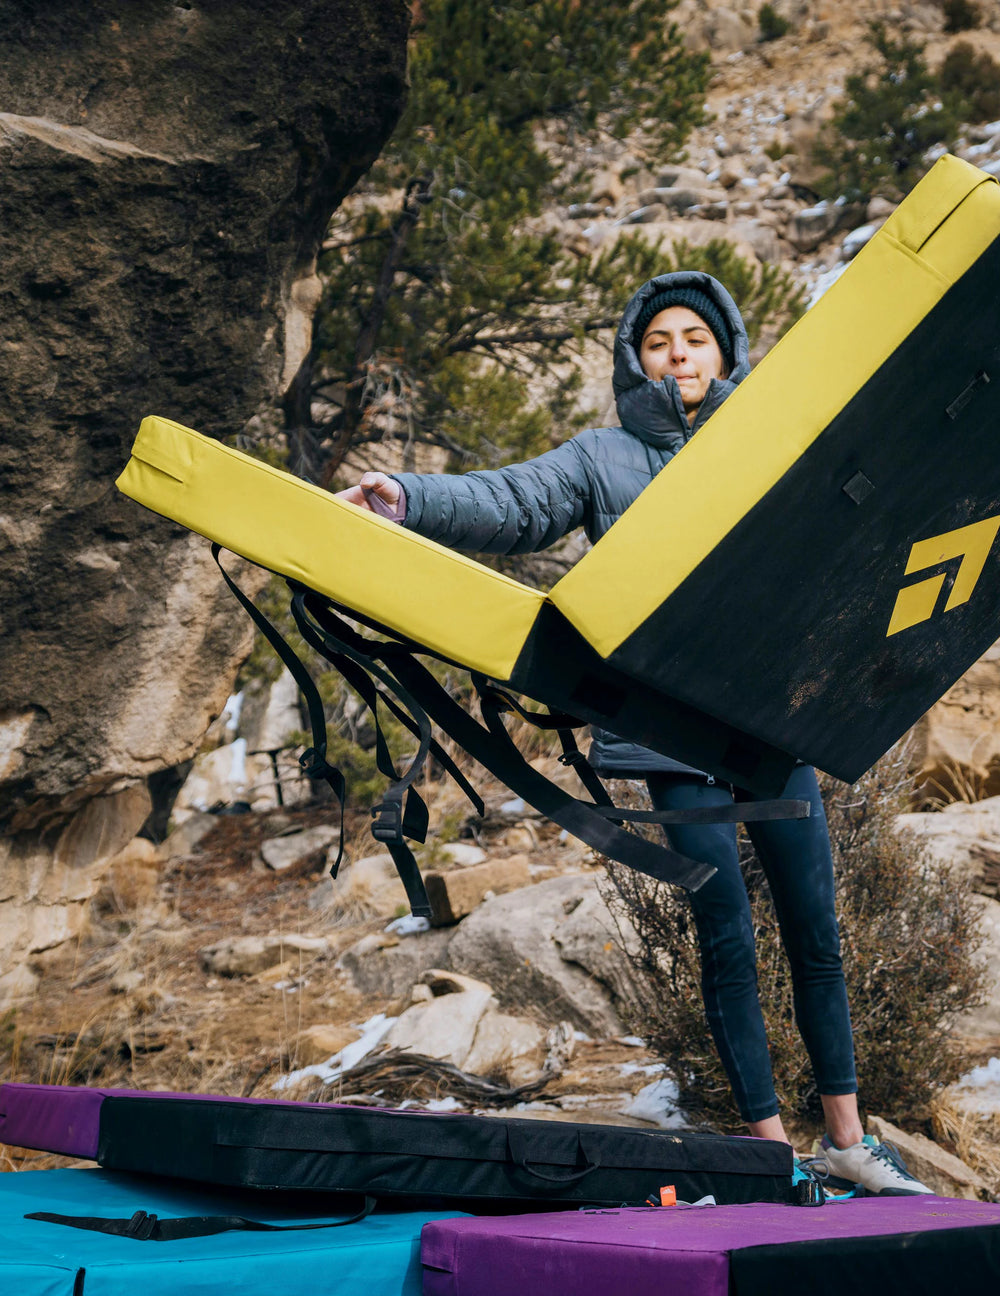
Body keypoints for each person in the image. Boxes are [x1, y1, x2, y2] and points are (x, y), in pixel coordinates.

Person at [336, 271, 932, 1196]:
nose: (678, 354)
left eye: (695, 337)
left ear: (726, 349)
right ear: (636, 360)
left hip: (773, 723)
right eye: (659, 343)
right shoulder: (604, 457)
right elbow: (514, 500)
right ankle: (770, 1153)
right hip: (671, 734)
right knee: (727, 934)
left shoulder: (777, 441)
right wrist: (405, 498)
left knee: (815, 929)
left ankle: (849, 1140)